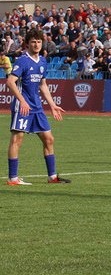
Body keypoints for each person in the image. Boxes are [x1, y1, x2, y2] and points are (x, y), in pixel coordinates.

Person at [6, 28, 70, 185]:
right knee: (17, 139)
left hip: (37, 107)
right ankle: (13, 178)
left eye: (39, 42)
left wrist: (53, 105)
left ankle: (52, 177)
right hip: (23, 107)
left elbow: (43, 85)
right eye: (33, 42)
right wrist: (22, 100)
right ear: (27, 44)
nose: (36, 44)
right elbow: (10, 82)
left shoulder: (42, 61)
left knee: (49, 139)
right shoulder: (22, 60)